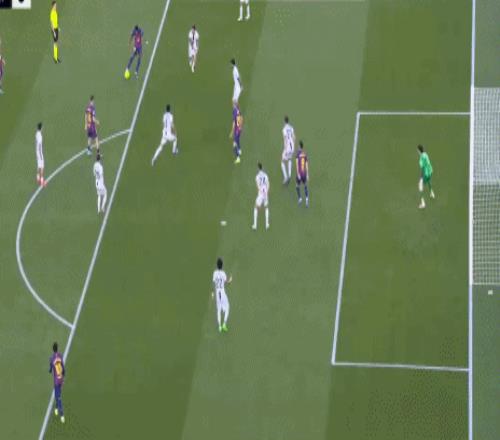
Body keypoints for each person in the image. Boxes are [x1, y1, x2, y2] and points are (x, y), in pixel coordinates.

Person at [212, 258, 232, 333]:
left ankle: (219, 327)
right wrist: (230, 280)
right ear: (222, 265)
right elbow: (227, 282)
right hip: (222, 292)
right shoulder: (223, 273)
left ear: (217, 265)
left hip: (217, 293)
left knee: (219, 310)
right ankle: (224, 324)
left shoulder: (214, 273)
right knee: (227, 307)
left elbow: (214, 283)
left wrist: (212, 293)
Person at [49, 342, 65, 424]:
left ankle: (62, 415)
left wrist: (50, 370)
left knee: (58, 398)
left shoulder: (51, 358)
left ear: (53, 349)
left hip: (56, 381)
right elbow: (63, 368)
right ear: (57, 348)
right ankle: (56, 408)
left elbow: (50, 369)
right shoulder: (60, 355)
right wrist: (63, 377)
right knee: (58, 395)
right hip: (61, 379)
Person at [252, 162, 270, 230]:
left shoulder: (257, 177)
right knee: (266, 207)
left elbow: (258, 186)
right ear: (262, 168)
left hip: (261, 193)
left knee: (256, 207)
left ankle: (255, 225)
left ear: (258, 168)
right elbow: (268, 184)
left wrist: (260, 194)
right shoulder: (266, 175)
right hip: (265, 192)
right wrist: (267, 192)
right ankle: (267, 224)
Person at [417, 144, 435, 209]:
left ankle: (423, 204)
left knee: (420, 186)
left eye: (417, 150)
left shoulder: (421, 159)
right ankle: (432, 193)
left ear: (419, 151)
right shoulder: (426, 154)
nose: (417, 151)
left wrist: (421, 177)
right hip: (430, 171)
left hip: (426, 174)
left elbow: (422, 169)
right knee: (428, 181)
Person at [281, 116, 296, 184]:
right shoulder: (291, 128)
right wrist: (293, 145)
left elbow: (285, 139)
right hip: (292, 146)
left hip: (287, 147)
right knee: (289, 159)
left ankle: (286, 177)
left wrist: (285, 147)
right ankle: (289, 175)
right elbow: (294, 137)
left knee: (282, 161)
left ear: (284, 121)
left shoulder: (284, 129)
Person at [295, 141, 309, 207]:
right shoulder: (305, 154)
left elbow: (297, 165)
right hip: (304, 173)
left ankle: (300, 198)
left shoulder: (298, 154)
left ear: (299, 146)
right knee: (305, 185)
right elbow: (306, 164)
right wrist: (307, 174)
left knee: (297, 186)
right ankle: (306, 200)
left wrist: (298, 173)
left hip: (300, 173)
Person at [35, 122, 46, 187]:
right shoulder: (40, 136)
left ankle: (38, 178)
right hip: (39, 152)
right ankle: (42, 181)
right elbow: (39, 145)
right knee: (42, 166)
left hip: (37, 152)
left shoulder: (36, 133)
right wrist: (40, 154)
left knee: (39, 165)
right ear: (41, 128)